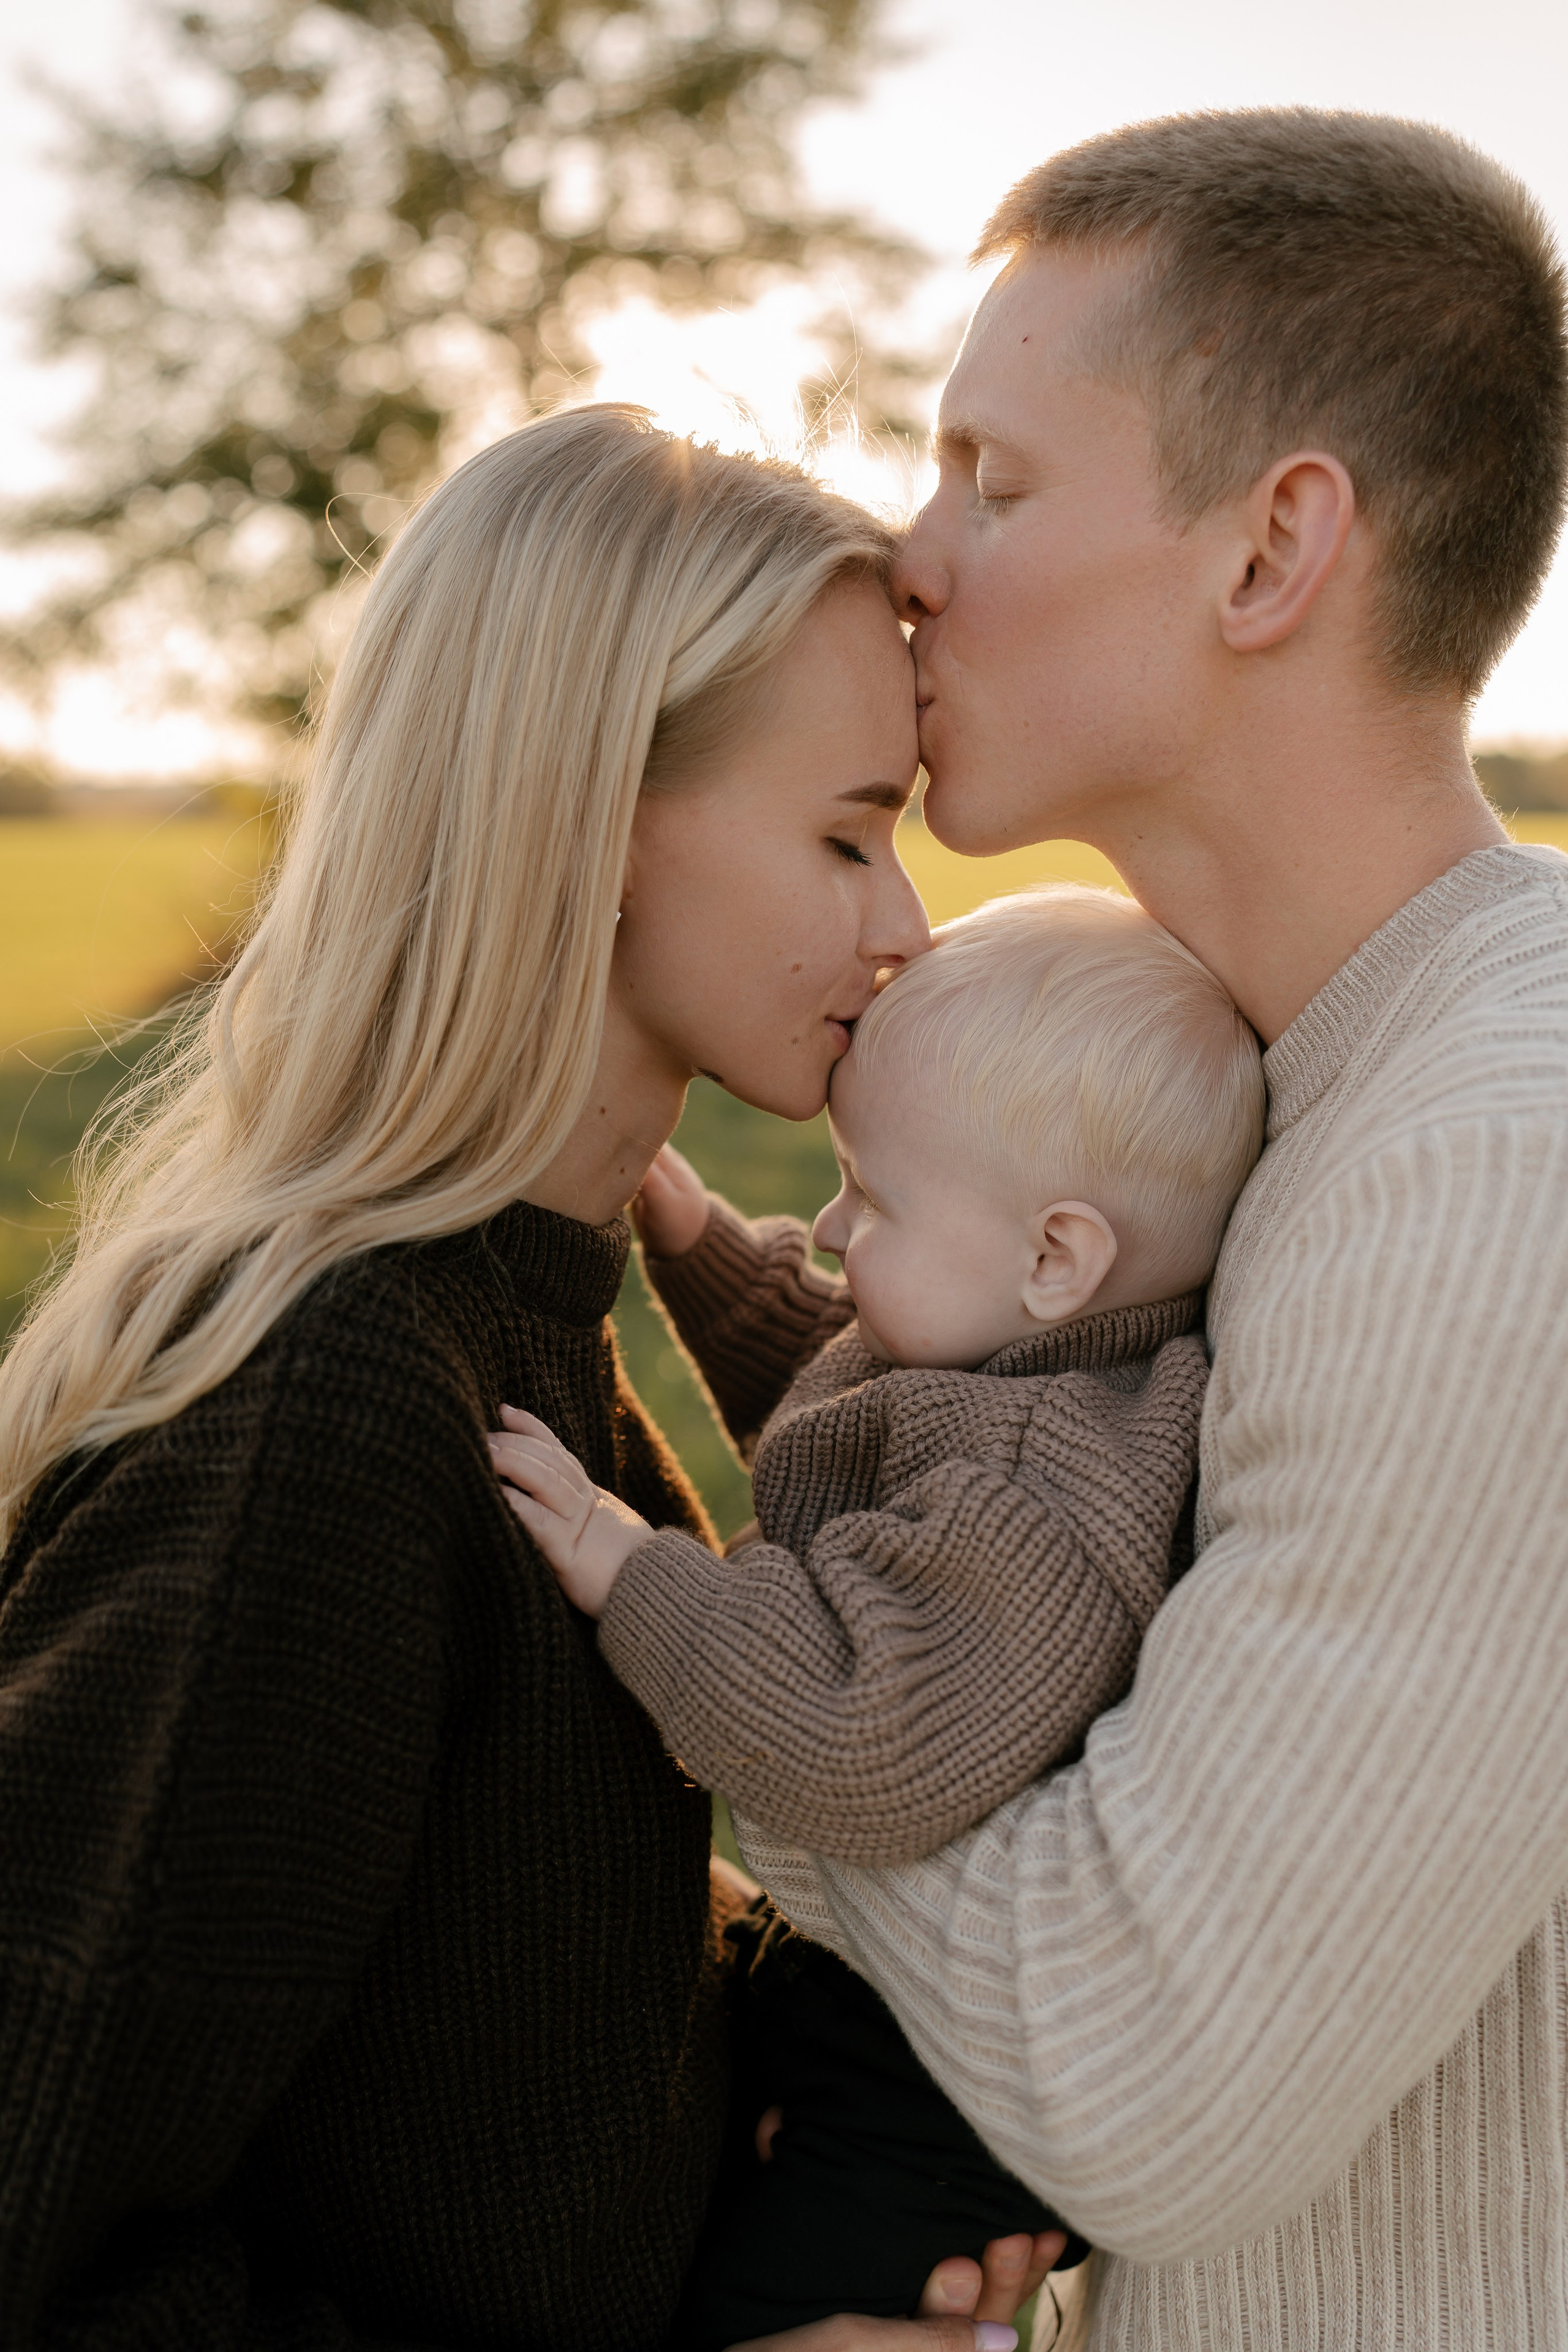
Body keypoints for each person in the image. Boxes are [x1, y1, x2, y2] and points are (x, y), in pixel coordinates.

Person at [0, 404, 1048, 2351]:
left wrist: (832, 2139)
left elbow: (472, 2037)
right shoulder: (321, 1415)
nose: (905, 925)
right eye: (845, 834)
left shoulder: (537, 1333)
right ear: (595, 816)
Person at [676, 111, 1568, 2352]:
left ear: (1272, 551)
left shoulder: (1491, 1169)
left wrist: (731, 1674)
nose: (912, 556)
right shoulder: (1299, 1093)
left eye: (991, 479)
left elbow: (1130, 2076)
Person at [488, 883, 1264, 2346]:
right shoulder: (1026, 1365)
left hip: (930, 2095)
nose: (833, 1223)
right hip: (870, 2006)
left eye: (872, 1200)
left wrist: (631, 1567)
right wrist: (697, 1241)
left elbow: (857, 1724)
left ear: (1055, 1258)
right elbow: (844, 1407)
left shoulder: (1041, 1502)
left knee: (769, 2310)